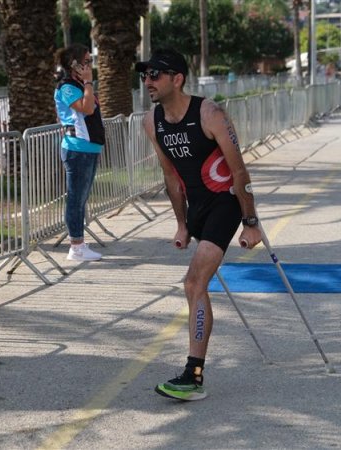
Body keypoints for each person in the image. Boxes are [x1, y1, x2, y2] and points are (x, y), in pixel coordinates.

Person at [137, 48, 262, 401]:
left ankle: (193, 375)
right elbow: (171, 177)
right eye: (144, 75)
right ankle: (193, 373)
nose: (148, 81)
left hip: (225, 204)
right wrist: (181, 224)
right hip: (196, 208)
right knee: (197, 285)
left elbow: (239, 171)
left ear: (177, 78)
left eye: (155, 75)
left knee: (193, 282)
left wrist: (250, 221)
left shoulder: (210, 113)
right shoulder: (152, 121)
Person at [54, 44, 105, 261]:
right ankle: (76, 246)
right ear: (74, 64)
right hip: (77, 148)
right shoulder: (66, 87)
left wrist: (86, 84)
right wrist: (88, 82)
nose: (90, 64)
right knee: (75, 198)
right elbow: (86, 109)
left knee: (82, 198)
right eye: (87, 60)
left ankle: (79, 242)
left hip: (89, 147)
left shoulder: (79, 85)